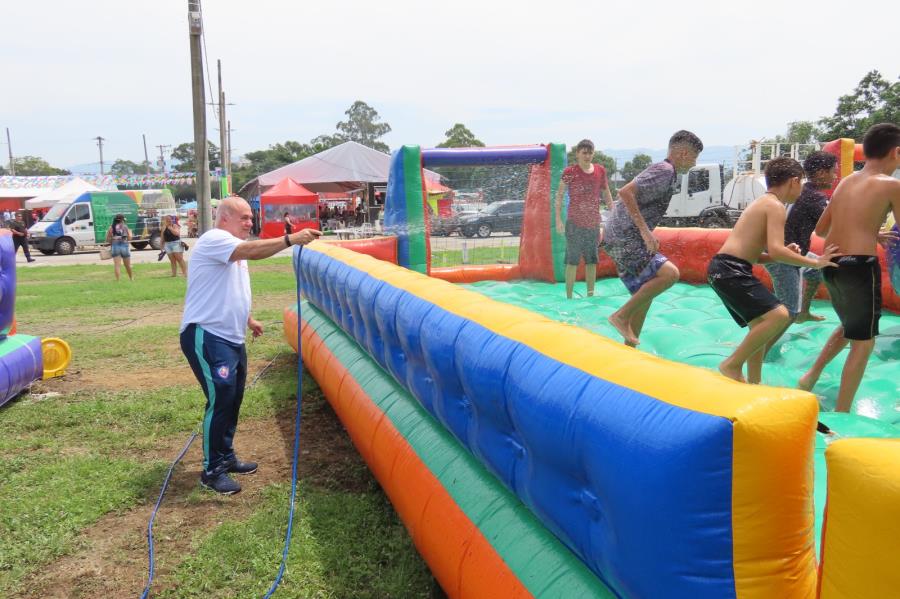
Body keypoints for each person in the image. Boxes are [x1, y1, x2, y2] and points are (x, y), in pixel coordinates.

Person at [180, 196, 321, 495]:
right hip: (207, 335)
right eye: (244, 217)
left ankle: (226, 456)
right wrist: (290, 239)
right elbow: (251, 251)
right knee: (221, 398)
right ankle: (212, 470)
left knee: (233, 398)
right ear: (224, 218)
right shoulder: (215, 238)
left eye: (250, 218)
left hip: (231, 337)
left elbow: (227, 289)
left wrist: (249, 318)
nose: (250, 223)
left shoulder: (232, 249)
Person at [707, 157, 839, 384]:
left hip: (725, 269)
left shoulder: (763, 202)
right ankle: (732, 364)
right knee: (780, 315)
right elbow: (778, 253)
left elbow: (759, 255)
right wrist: (816, 263)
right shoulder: (775, 205)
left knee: (760, 326)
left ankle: (755, 382)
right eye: (801, 183)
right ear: (794, 181)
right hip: (730, 269)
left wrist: (783, 250)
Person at [799, 123, 900, 412]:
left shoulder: (846, 182)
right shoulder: (892, 185)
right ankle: (842, 413)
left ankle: (810, 376)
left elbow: (821, 229)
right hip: (858, 267)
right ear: (896, 152)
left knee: (849, 327)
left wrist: (871, 232)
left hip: (831, 264)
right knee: (864, 342)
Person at [603, 130, 704, 346]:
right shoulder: (665, 170)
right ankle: (620, 317)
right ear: (684, 154)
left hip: (620, 235)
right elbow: (626, 192)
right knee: (670, 274)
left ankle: (630, 346)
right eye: (695, 157)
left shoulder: (669, 173)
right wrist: (645, 231)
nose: (694, 163)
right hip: (624, 235)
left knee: (645, 292)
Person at [764, 151, 837, 326]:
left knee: (818, 270)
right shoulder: (814, 197)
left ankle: (804, 312)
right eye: (833, 172)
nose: (835, 177)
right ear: (821, 173)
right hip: (784, 258)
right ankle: (760, 348)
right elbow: (828, 230)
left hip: (788, 252)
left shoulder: (799, 190)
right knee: (788, 312)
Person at [555, 139, 614, 299]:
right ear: (578, 154)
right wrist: (558, 220)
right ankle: (568, 296)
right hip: (574, 223)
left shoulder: (600, 171)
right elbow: (559, 195)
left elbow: (606, 192)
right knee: (572, 260)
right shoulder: (570, 172)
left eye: (590, 153)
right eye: (584, 153)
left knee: (591, 260)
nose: (587, 156)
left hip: (593, 223)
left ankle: (590, 294)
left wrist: (613, 211)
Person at [105, 213, 134, 281]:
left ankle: (118, 281)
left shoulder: (111, 227)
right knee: (128, 265)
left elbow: (107, 239)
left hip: (115, 245)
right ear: (122, 220)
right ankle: (131, 279)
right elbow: (129, 238)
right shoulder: (125, 227)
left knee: (117, 265)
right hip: (124, 245)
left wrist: (113, 240)